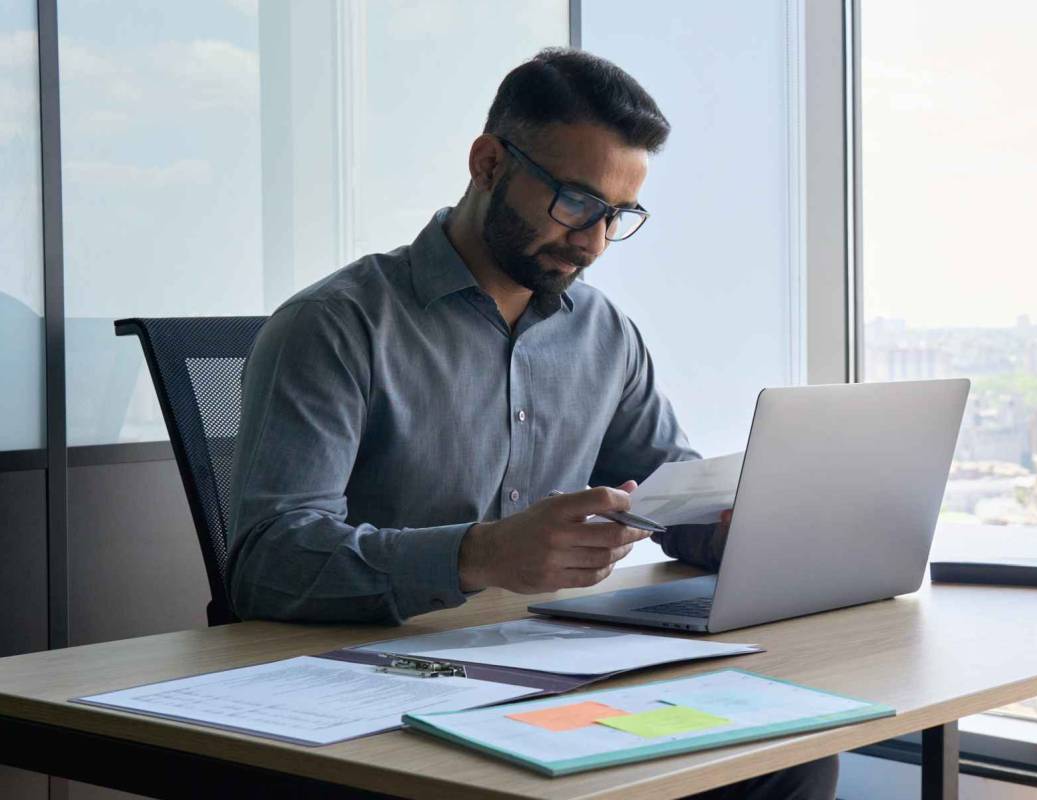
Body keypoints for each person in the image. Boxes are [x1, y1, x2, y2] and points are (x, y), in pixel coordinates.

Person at [227, 48, 835, 798]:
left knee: (786, 758)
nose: (594, 241)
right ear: (488, 164)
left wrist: (730, 530)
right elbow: (265, 566)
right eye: (576, 202)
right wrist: (480, 556)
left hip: (542, 674)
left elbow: (667, 493)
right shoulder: (336, 327)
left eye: (618, 215)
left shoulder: (604, 333)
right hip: (381, 690)